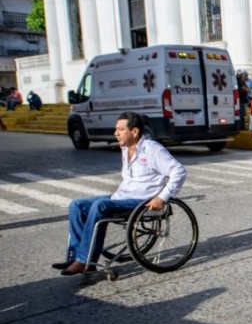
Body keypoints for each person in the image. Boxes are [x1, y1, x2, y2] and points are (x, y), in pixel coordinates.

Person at [52, 111, 187, 276]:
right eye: (116, 129)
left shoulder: (151, 149)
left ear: (135, 131)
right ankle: (76, 257)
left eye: (121, 129)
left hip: (140, 201)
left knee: (100, 206)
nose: (115, 133)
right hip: (121, 197)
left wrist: (162, 197)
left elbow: (179, 171)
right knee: (77, 205)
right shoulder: (126, 148)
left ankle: (83, 260)